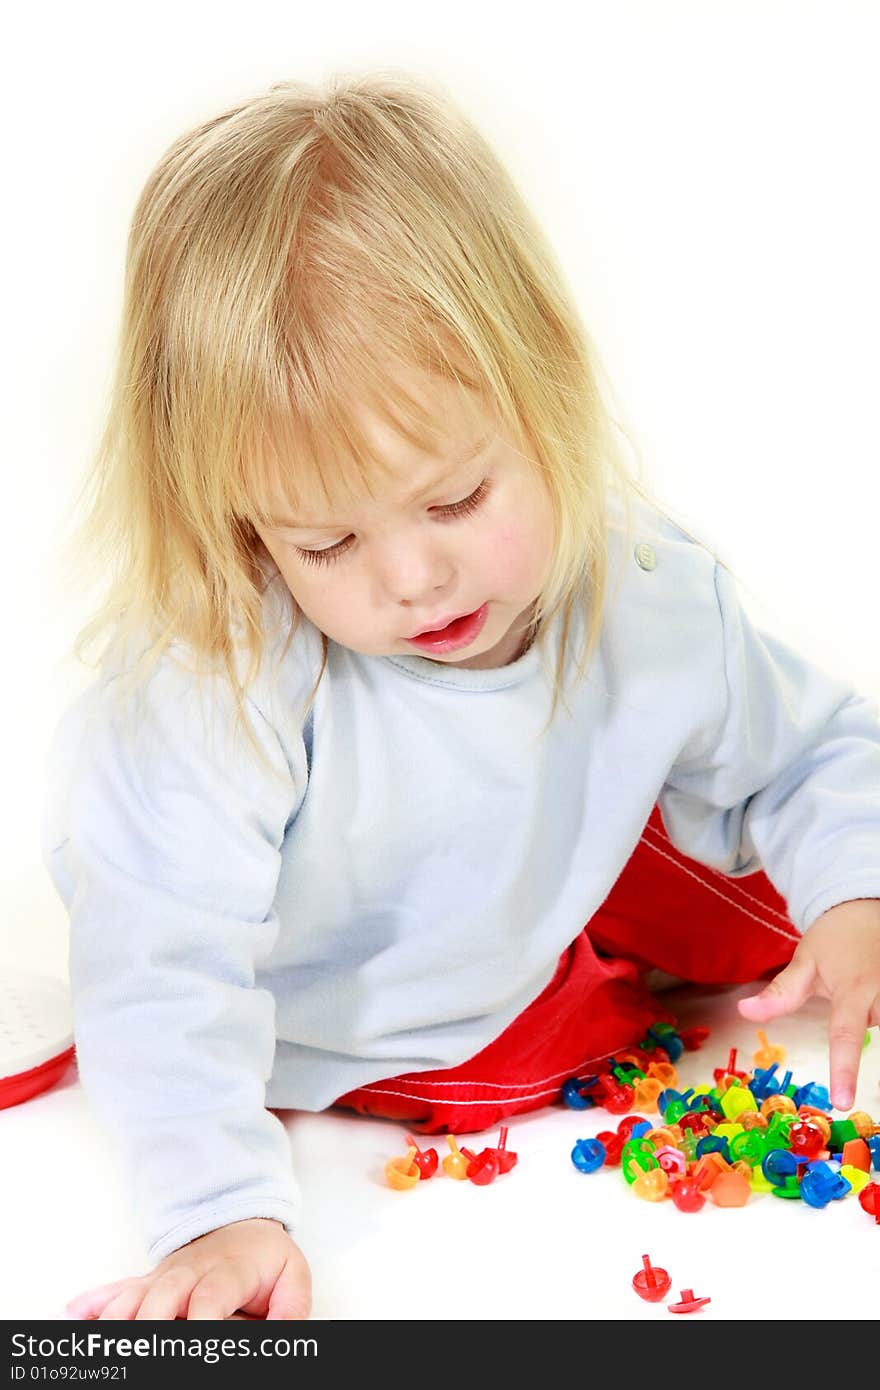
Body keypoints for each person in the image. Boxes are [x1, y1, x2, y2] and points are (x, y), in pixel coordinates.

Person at [42, 72, 880, 1323]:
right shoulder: (217, 681)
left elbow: (810, 752)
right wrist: (220, 1209)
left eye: (454, 499)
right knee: (511, 1049)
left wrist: (854, 891)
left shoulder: (640, 584)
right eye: (323, 544)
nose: (413, 575)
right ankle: (567, 976)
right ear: (242, 526)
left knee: (784, 897)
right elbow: (159, 963)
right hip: (379, 996)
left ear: (546, 387)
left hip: (546, 862)